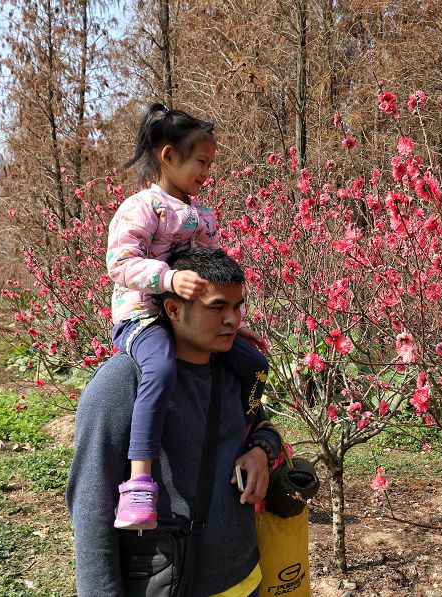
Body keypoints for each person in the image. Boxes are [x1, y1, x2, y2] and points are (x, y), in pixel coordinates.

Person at [67, 247, 280, 596]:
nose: (232, 320)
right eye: (217, 307)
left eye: (237, 306)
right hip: (169, 584)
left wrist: (260, 451)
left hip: (245, 580)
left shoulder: (231, 371)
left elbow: (261, 425)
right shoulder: (123, 382)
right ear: (174, 309)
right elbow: (91, 505)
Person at [106, 103, 268, 530]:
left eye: (210, 164)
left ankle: (242, 435)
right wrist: (168, 278)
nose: (206, 172)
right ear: (168, 156)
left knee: (255, 365)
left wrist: (230, 319)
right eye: (201, 162)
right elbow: (119, 263)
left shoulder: (202, 215)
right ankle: (140, 482)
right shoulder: (141, 207)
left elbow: (218, 278)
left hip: (191, 322)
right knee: (159, 371)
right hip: (143, 316)